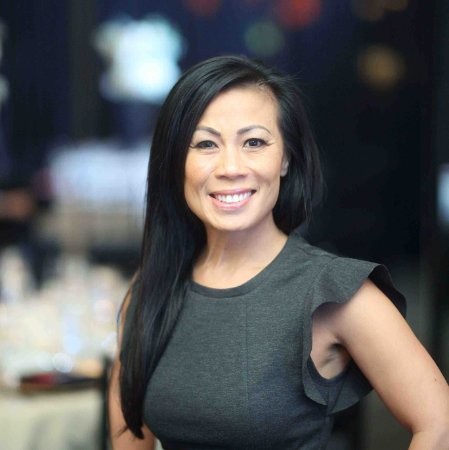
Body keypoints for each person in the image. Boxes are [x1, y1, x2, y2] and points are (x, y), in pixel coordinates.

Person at [108, 55, 449, 449]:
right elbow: (129, 437)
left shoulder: (334, 292)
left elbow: (439, 424)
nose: (230, 167)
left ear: (285, 157)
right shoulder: (151, 289)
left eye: (254, 142)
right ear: (175, 162)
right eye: (205, 144)